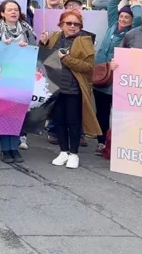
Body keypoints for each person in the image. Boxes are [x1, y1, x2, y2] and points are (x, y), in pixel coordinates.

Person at [41, 11, 100, 170]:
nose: (72, 26)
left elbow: (88, 67)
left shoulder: (84, 41)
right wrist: (42, 43)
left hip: (73, 88)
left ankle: (74, 154)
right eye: (69, 23)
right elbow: (43, 58)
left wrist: (65, 59)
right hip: (55, 86)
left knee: (73, 122)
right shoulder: (54, 37)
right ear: (61, 24)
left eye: (76, 24)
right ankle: (63, 151)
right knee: (58, 121)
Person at [92, 0, 142, 154]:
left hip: (117, 78)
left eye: (126, 18)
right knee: (102, 112)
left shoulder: (133, 31)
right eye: (121, 17)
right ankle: (101, 141)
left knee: (119, 113)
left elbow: (138, 17)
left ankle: (119, 143)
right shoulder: (113, 24)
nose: (122, 20)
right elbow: (113, 3)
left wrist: (135, 2)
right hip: (101, 74)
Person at [0, 0, 38, 163]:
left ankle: (14, 147)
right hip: (1, 78)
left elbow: (34, 51)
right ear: (2, 13)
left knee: (17, 113)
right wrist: (1, 46)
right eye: (9, 10)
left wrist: (27, 47)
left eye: (15, 9)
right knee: (3, 112)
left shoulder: (27, 30)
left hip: (21, 76)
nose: (13, 12)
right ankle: (5, 149)